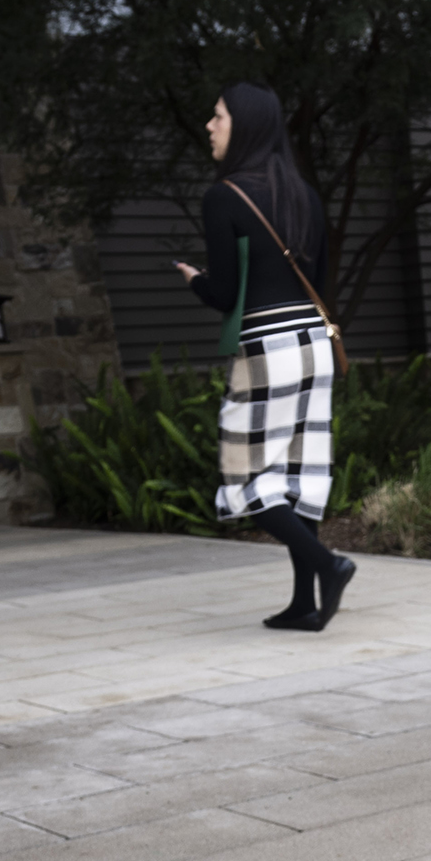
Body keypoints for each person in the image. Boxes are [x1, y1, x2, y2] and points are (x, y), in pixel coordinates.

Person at [178, 81, 355, 631]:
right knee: (296, 473)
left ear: (245, 126)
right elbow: (320, 280)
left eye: (219, 116)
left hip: (267, 349)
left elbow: (227, 295)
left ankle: (330, 565)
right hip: (314, 346)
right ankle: (305, 602)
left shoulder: (224, 196)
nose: (209, 126)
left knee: (246, 470)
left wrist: (194, 281)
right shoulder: (303, 194)